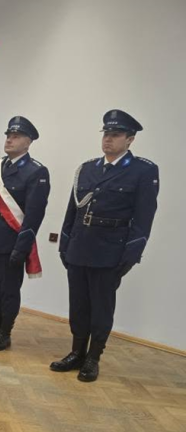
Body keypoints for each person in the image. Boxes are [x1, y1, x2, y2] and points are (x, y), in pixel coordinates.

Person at [50, 110, 159, 382]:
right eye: (106, 134)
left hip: (110, 251)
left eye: (116, 134)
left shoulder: (143, 170)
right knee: (78, 305)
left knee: (101, 308)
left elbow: (144, 218)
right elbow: (72, 210)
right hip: (79, 247)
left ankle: (93, 357)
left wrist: (130, 256)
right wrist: (65, 245)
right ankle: (76, 352)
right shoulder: (87, 168)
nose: (108, 139)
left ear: (130, 139)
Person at [0, 116, 50, 350]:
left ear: (28, 142)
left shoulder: (36, 172)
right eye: (8, 135)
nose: (9, 140)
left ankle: (5, 332)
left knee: (9, 291)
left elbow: (34, 216)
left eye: (15, 136)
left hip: (12, 240)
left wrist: (21, 248)